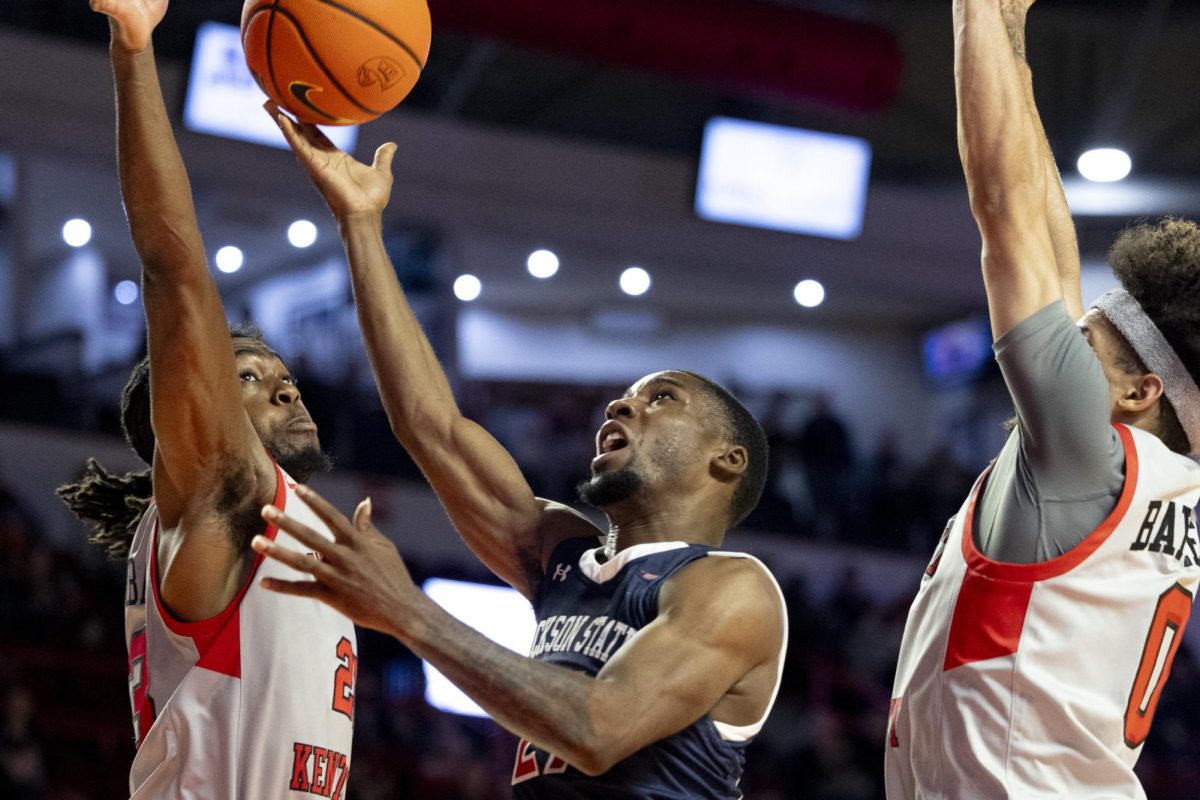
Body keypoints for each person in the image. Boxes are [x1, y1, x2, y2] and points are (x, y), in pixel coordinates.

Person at [252, 107, 788, 796]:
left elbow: (598, 728)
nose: (621, 406)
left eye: (661, 400)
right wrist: (359, 223)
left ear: (727, 460)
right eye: (624, 397)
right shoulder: (561, 553)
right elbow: (432, 426)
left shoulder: (731, 588)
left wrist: (406, 611)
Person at [885, 1, 1200, 797]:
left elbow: (1005, 209)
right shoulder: (1147, 474)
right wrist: (1012, 33)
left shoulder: (1087, 456)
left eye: (1080, 344)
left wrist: (973, 13)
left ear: (1139, 389)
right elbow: (1041, 220)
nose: (1058, 342)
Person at [55, 2, 356, 796]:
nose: (284, 385)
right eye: (246, 378)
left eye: (278, 373)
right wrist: (134, 46)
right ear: (188, 417)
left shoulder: (284, 523)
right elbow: (174, 271)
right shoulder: (221, 491)